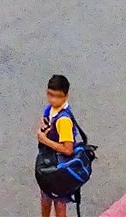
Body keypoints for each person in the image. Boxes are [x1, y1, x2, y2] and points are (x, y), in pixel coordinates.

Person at [35, 74, 78, 217]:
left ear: (66, 96)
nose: (53, 100)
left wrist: (44, 140)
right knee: (46, 199)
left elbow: (68, 149)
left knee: (59, 205)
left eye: (58, 96)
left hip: (60, 168)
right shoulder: (50, 109)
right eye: (50, 95)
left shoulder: (63, 120)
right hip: (49, 166)